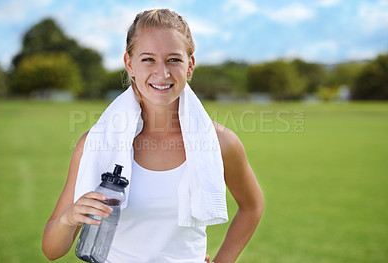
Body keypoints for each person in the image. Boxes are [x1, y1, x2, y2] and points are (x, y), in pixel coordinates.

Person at [42, 8, 263, 263]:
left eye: (174, 60)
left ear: (189, 65)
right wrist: (70, 218)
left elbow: (252, 207)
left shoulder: (220, 143)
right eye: (148, 59)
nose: (162, 73)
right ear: (129, 64)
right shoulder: (96, 144)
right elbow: (52, 250)